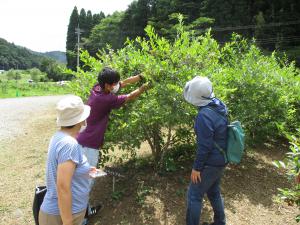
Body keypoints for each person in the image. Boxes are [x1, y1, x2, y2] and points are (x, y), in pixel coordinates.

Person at [76, 67, 149, 218]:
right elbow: (128, 97)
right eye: (114, 83)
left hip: (82, 140)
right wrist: (144, 87)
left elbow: (123, 83)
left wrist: (140, 76)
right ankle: (81, 217)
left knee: (80, 179)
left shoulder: (98, 88)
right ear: (108, 85)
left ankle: (85, 211)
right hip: (88, 146)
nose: (117, 84)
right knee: (86, 182)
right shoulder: (105, 99)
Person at [39, 95, 96, 225]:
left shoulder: (59, 136)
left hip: (62, 213)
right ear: (80, 120)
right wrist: (68, 221)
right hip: (63, 215)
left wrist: (85, 170)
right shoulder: (69, 144)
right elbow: (63, 186)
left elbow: (64, 171)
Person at [184, 76, 228, 225]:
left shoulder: (204, 115)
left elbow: (205, 146)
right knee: (214, 191)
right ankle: (220, 222)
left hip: (210, 163)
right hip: (221, 159)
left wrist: (197, 168)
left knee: (194, 195)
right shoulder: (218, 104)